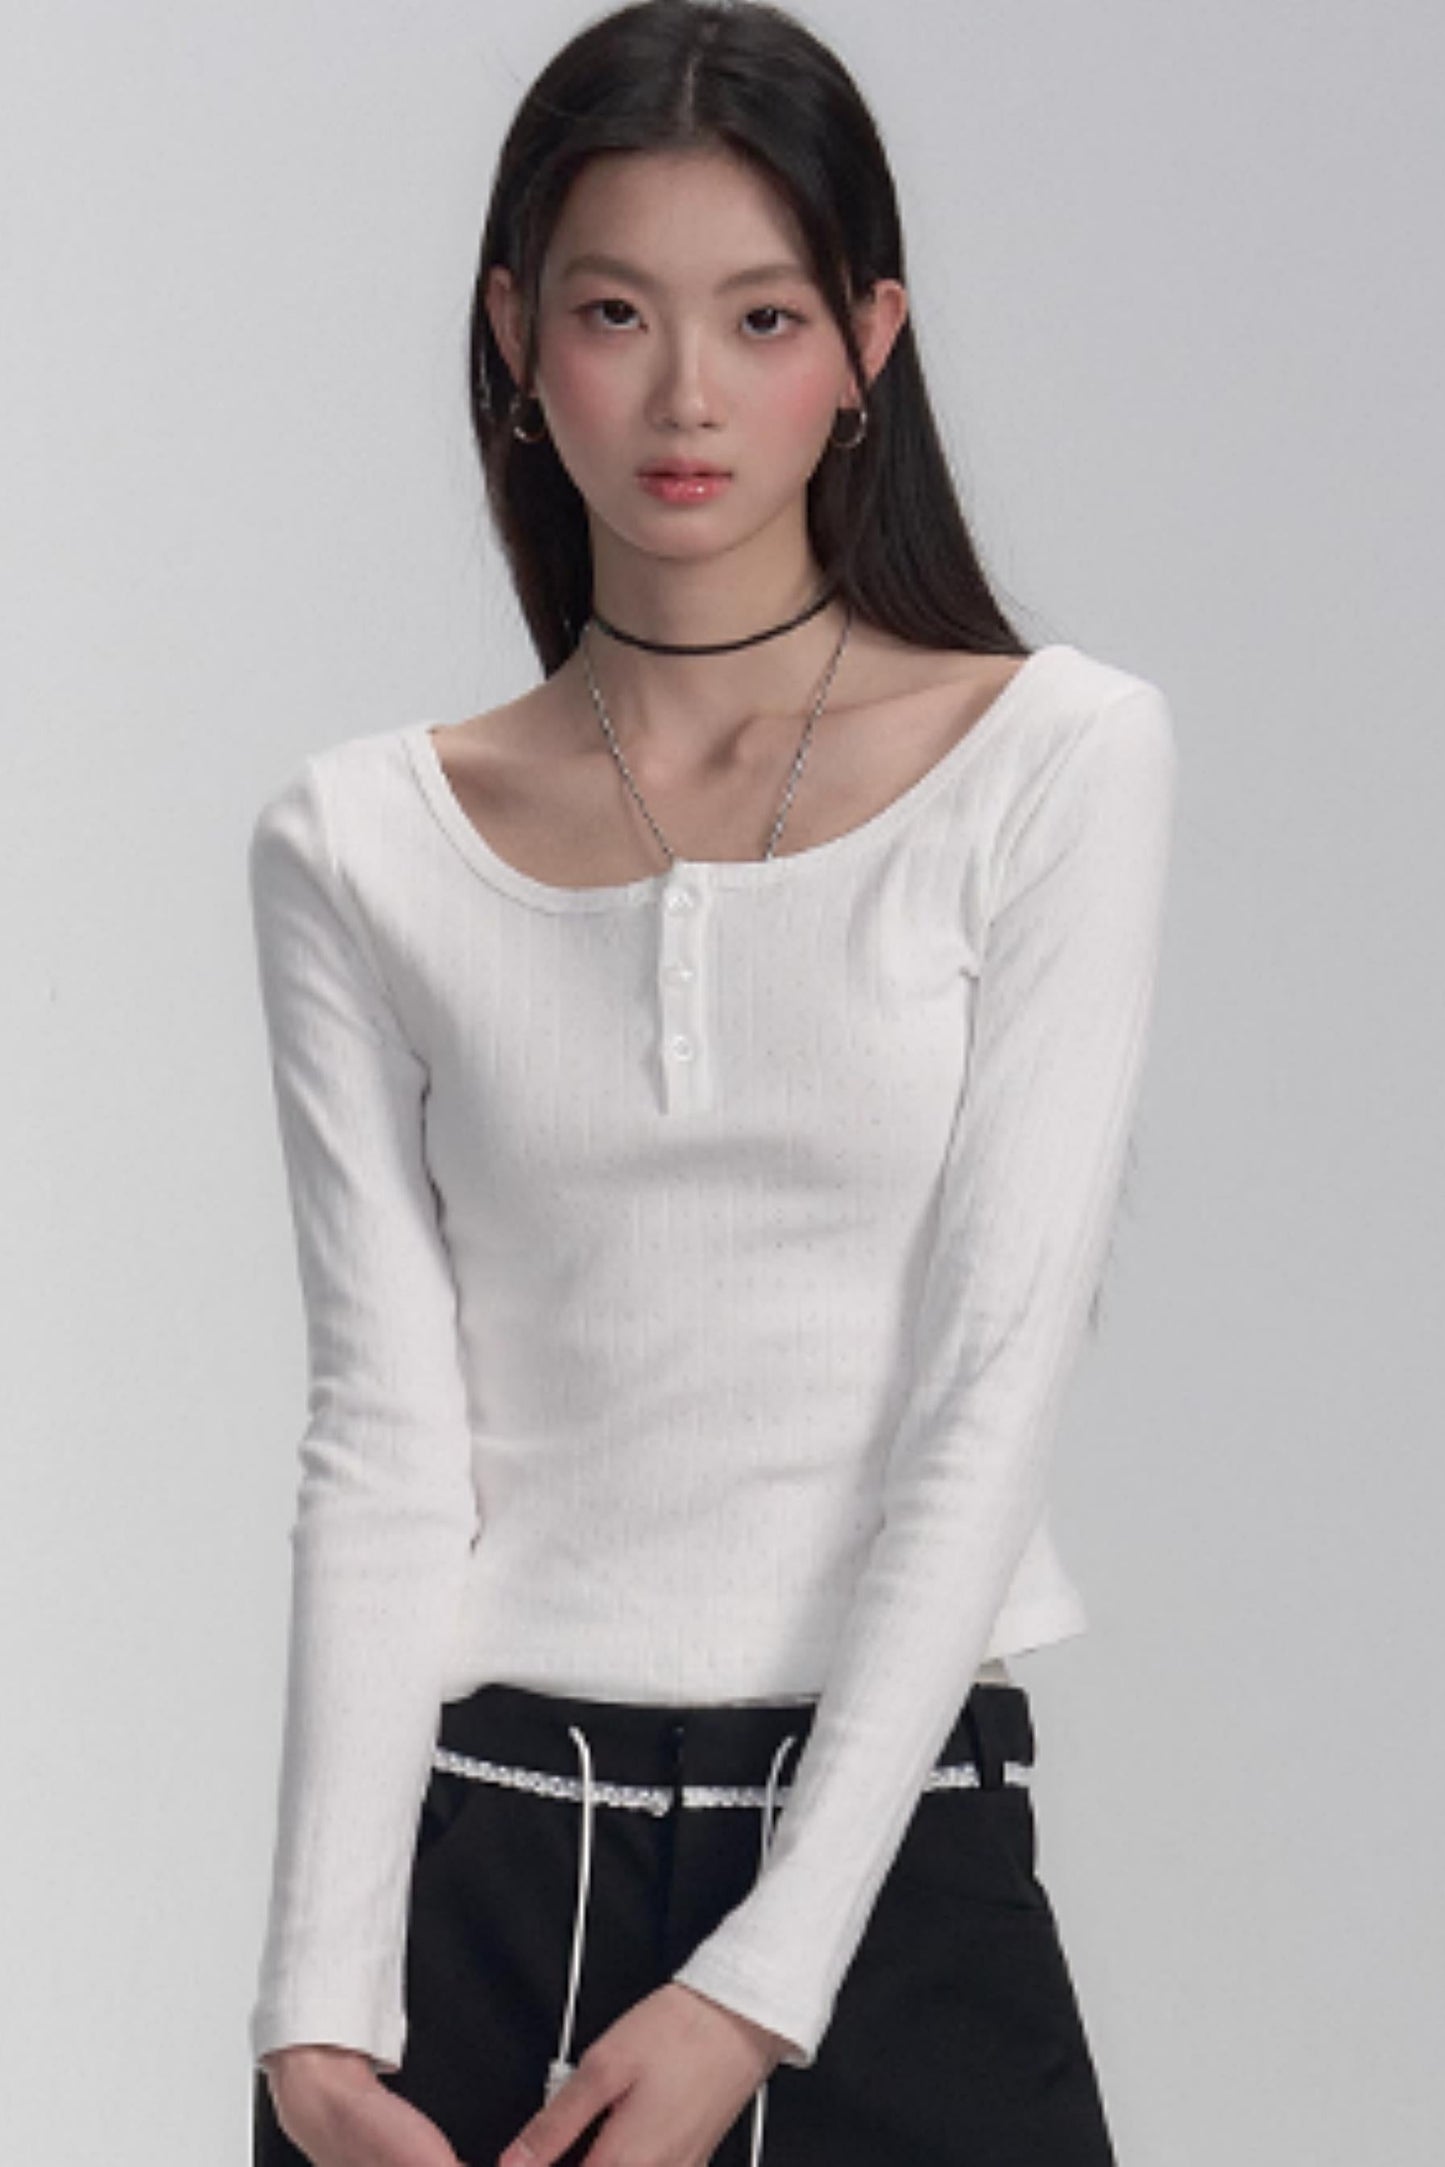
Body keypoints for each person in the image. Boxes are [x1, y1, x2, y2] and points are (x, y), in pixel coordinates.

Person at [245, 4, 1179, 2163]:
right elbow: (384, 1439)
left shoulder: (1053, 761)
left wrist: (762, 1982)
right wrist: (316, 2009)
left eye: (761, 317)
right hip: (476, 1873)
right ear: (514, 335)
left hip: (891, 1865)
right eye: (613, 312)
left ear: (867, 346)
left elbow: (989, 1381)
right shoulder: (360, 839)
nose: (685, 394)